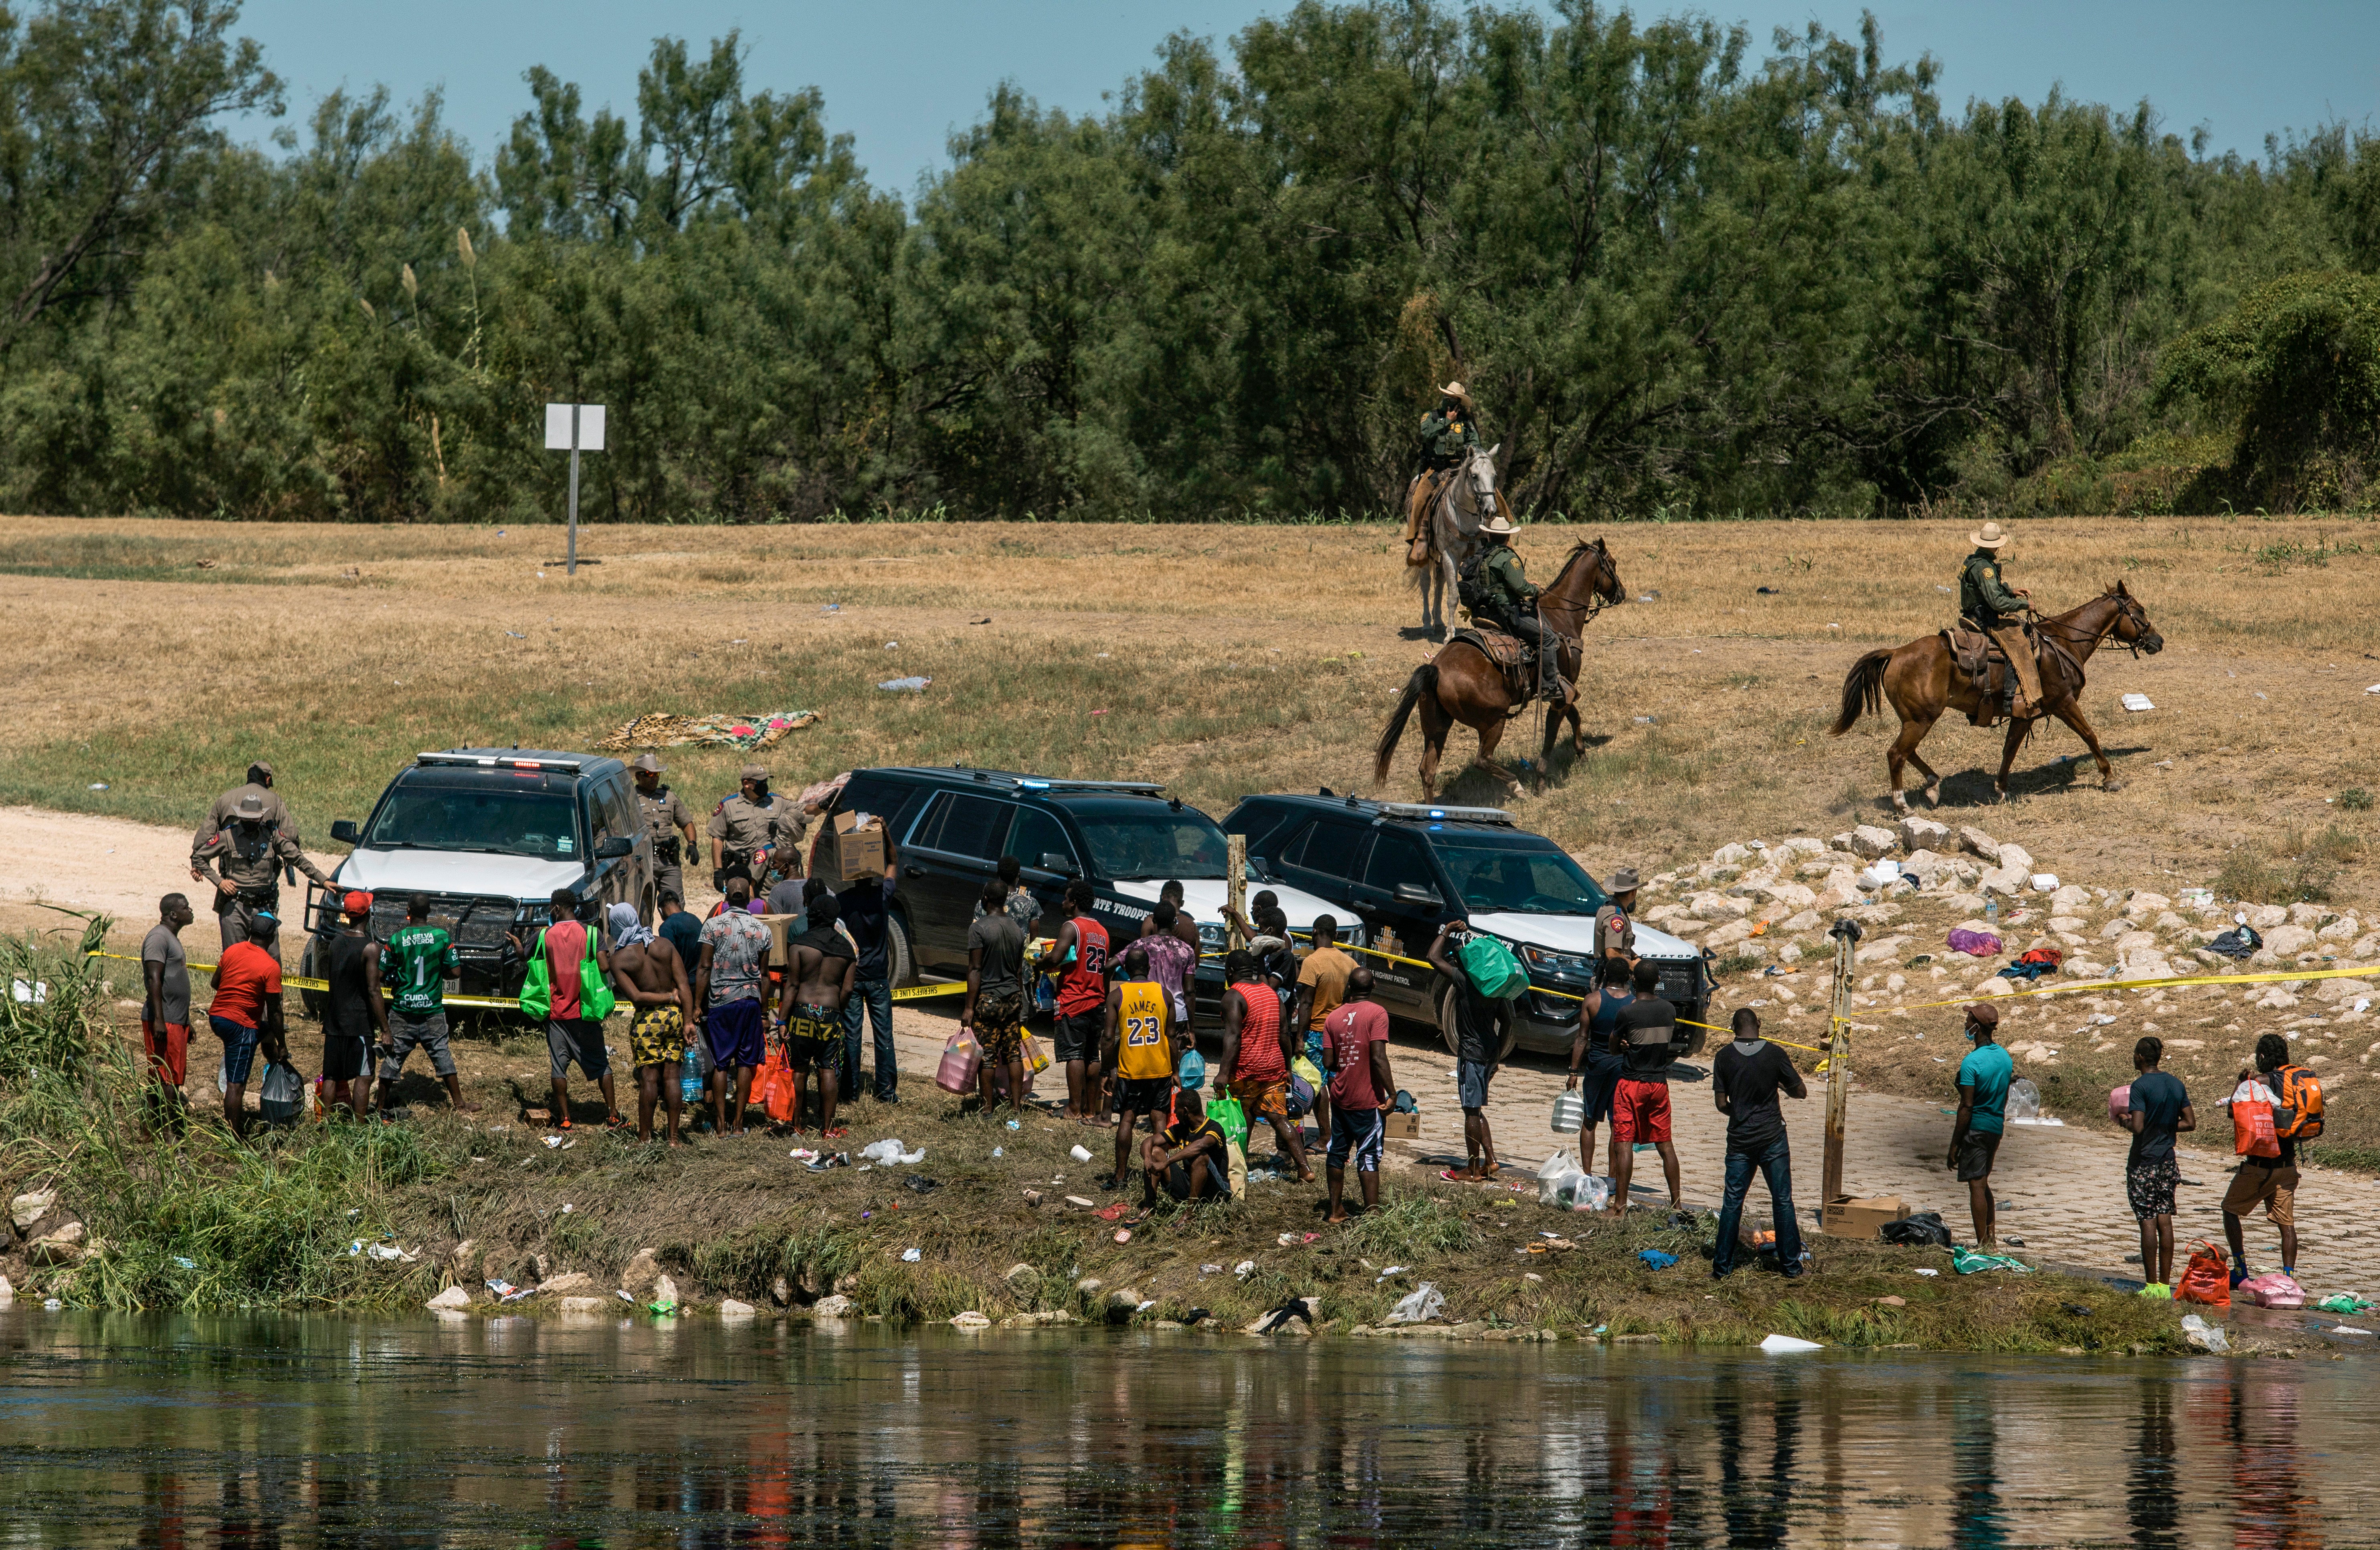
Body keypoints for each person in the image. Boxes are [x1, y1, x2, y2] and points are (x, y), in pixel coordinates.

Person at [1709, 1010, 1808, 1280]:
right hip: (1773, 1137)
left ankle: (1721, 1269)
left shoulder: (1724, 1057)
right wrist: (1779, 1084)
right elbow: (1801, 1092)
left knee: (1732, 1203)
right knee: (1783, 1201)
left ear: (1733, 1029)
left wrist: (1740, 1111)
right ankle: (1791, 1267)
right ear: (1760, 1026)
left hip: (1740, 1140)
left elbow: (1721, 1104)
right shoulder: (1775, 1054)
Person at [191, 790, 334, 953]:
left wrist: (322, 879)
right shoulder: (227, 836)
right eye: (246, 818)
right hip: (235, 907)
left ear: (261, 818)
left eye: (254, 819)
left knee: (272, 958)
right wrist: (220, 882)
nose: (250, 822)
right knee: (234, 958)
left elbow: (297, 858)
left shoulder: (272, 837)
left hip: (264, 907)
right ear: (240, 817)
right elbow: (199, 858)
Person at [374, 892, 470, 1117]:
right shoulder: (442, 937)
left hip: (402, 1013)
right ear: (429, 912)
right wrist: (437, 973)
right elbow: (456, 972)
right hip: (432, 1012)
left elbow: (379, 974)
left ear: (408, 911)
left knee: (392, 1059)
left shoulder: (396, 940)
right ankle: (459, 1105)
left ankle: (379, 1107)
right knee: (442, 1055)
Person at [1424, 920, 1507, 1183]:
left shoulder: (1465, 981)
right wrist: (1498, 1054)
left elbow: (1433, 958)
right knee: (1477, 1108)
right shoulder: (1494, 988)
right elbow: (1507, 1022)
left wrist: (1446, 931)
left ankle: (1472, 1170)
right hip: (1489, 1051)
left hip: (1471, 1053)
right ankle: (1491, 1161)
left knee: (1471, 1110)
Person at [1218, 947, 1309, 1180]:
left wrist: (1222, 1073)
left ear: (1230, 971)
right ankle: (1305, 1168)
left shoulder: (1234, 996)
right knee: (1279, 1119)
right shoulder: (1271, 994)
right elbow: (1284, 1034)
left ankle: (1240, 1163)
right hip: (1273, 1069)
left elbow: (1233, 1037)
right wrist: (1288, 1068)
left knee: (1245, 1115)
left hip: (1246, 1070)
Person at [610, 900, 695, 1145]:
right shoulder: (665, 945)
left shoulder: (620, 959)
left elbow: (636, 997)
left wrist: (667, 997)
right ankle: (674, 1139)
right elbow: (684, 986)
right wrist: (688, 1020)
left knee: (649, 1079)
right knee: (672, 1078)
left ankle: (645, 1137)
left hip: (647, 1020)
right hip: (675, 1018)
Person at [533, 888, 618, 1131]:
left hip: (557, 1013)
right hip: (585, 1013)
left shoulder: (545, 936)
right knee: (601, 1064)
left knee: (558, 1068)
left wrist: (519, 947)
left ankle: (566, 1118)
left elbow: (525, 956)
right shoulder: (592, 933)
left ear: (556, 909)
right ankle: (612, 1114)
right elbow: (604, 967)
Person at [2222, 1033, 2302, 1286]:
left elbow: (2232, 1112)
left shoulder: (2258, 1081)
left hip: (2258, 1167)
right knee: (2287, 1224)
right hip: (2287, 1167)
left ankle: (2240, 1269)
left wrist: (2241, 1082)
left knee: (2229, 1210)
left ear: (2263, 1057)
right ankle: (2289, 1278)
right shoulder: (2295, 1083)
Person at [697, 874, 772, 1133]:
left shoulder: (712, 927)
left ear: (727, 898)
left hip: (721, 1003)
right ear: (749, 898)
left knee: (720, 1064)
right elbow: (765, 975)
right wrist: (764, 1011)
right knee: (745, 1063)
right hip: (750, 1003)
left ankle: (720, 1124)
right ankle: (739, 1125)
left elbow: (705, 967)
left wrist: (698, 1004)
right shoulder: (763, 929)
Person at [1463, 512, 1564, 704]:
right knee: (1548, 637)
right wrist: (1535, 589)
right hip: (1506, 614)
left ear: (1489, 536)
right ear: (1508, 537)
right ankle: (1549, 687)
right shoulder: (1507, 558)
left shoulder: (1481, 555)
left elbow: (1499, 583)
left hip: (1483, 612)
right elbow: (1520, 588)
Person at [2121, 1035, 2195, 1295]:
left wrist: (2124, 1120)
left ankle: (2151, 1285)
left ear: (2140, 1057)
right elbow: (2189, 1123)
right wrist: (2164, 1126)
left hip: (2144, 1162)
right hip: (2167, 1162)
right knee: (2166, 1221)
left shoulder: (2140, 1087)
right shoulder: (2175, 1084)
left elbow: (2138, 1127)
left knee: (2148, 1222)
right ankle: (2165, 1286)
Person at [1099, 943, 1175, 1193]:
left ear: (1126, 969)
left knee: (1127, 1119)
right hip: (1160, 1069)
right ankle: (1164, 1176)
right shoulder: (1164, 994)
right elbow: (1172, 1037)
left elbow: (1109, 1038)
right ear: (1149, 967)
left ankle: (1121, 1177)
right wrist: (1175, 1070)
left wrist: (1106, 1071)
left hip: (1131, 1071)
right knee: (1159, 1121)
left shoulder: (1117, 995)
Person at [780, 891, 856, 1138]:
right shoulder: (847, 950)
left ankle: (797, 1125)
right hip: (831, 1014)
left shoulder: (800, 945)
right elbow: (848, 989)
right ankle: (828, 1128)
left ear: (811, 916)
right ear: (835, 919)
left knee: (800, 1069)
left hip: (801, 1013)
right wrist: (836, 1011)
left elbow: (791, 986)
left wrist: (782, 1020)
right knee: (827, 1069)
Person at [1322, 967, 1394, 1222]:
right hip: (1368, 1099)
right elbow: (1378, 1058)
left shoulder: (1332, 1018)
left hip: (1340, 1097)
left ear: (1350, 988)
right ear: (1374, 985)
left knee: (1337, 1153)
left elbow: (1329, 1063)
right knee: (1369, 1155)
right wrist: (1392, 1093)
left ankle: (1335, 1211)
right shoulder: (1377, 1013)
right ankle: (1373, 1214)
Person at [1607, 960, 1680, 1212]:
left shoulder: (1628, 1012)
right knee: (1666, 1144)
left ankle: (1620, 1206)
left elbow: (1614, 1047)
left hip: (1631, 1083)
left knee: (1624, 1142)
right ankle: (1677, 1204)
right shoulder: (1669, 1009)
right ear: (1658, 980)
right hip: (1659, 1084)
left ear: (1633, 981)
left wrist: (1625, 1044)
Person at [1036, 880, 1112, 1124]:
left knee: (1074, 1054)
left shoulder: (1071, 927)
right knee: (1092, 1056)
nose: (1063, 902)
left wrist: (1039, 961)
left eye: (1066, 898)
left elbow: (1056, 958)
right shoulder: (1102, 931)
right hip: (1097, 1001)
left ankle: (1073, 1108)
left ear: (1075, 902)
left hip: (1074, 999)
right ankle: (1090, 1110)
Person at [207, 913, 285, 1139]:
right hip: (239, 1026)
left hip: (217, 1017)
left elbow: (215, 983)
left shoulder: (232, 951)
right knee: (237, 1086)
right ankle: (235, 1137)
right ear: (271, 936)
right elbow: (275, 1011)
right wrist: (283, 1044)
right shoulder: (270, 967)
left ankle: (268, 1056)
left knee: (264, 1031)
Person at [836, 845, 901, 1104]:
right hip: (878, 978)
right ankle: (886, 1093)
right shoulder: (883, 895)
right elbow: (894, 863)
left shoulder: (842, 901)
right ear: (874, 872)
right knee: (884, 1034)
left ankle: (850, 1094)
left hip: (852, 977)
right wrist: (884, 834)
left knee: (852, 1035)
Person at [1958, 519, 2041, 720]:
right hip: (1982, 619)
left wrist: (2011, 591)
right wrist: (2024, 605)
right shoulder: (1985, 568)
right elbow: (1996, 602)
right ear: (1996, 545)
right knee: (2019, 643)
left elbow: (1985, 591)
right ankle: (2009, 700)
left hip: (1972, 615)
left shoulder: (1974, 560)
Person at [962, 877, 1029, 1119]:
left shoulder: (978, 928)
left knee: (988, 1056)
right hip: (1012, 999)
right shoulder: (1017, 930)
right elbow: (1020, 971)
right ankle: (1016, 1108)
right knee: (1013, 1053)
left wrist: (969, 1008)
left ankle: (988, 1109)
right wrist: (1020, 1002)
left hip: (988, 1002)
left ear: (986, 899)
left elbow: (975, 970)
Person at [1948, 1002, 2013, 1249]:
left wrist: (1954, 1144)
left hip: (1975, 1129)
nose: (1965, 1025)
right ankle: (1992, 1240)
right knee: (1984, 1182)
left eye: (1968, 1021)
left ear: (1977, 1027)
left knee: (1976, 1185)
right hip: (1995, 1127)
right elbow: (2004, 1095)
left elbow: (1966, 1107)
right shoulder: (2005, 1058)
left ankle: (1985, 1245)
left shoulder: (1971, 1063)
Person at [1565, 955, 1633, 1178]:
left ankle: (1587, 1174)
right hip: (1623, 1069)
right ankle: (1613, 1178)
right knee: (1618, 1125)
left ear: (1606, 975)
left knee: (1590, 1120)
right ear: (1628, 978)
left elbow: (1582, 1038)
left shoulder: (1592, 1000)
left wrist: (1573, 1071)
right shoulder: (1634, 1004)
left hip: (1597, 1067)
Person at [1293, 915, 1358, 1143]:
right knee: (1337, 1083)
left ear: (1314, 931)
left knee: (1316, 1083)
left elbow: (1307, 1003)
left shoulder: (1312, 962)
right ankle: (1341, 1135)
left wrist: (1300, 1037)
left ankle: (1324, 1137)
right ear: (1336, 935)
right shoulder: (1348, 962)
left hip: (1318, 1032)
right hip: (1343, 1032)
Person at [317, 891, 379, 1123]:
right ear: (368, 914)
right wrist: (385, 1028)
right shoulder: (370, 948)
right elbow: (373, 990)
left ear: (347, 914)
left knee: (332, 1075)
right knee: (365, 1075)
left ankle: (326, 1128)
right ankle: (358, 1127)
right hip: (358, 1021)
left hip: (334, 1019)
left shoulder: (335, 943)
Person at [1404, 381, 1481, 562]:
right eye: (1447, 397)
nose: (1449, 401)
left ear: (1459, 402)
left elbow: (1476, 445)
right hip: (1436, 469)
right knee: (1419, 498)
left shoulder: (1467, 423)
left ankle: (1500, 537)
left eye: (1453, 399)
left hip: (1460, 470)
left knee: (1491, 492)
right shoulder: (1430, 417)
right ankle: (1419, 539)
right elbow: (1426, 435)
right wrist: (1447, 421)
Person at [139, 893, 196, 1118]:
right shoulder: (158, 938)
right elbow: (155, 978)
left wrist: (187, 1022)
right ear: (173, 914)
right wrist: (160, 1020)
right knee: (169, 1077)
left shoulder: (171, 937)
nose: (190, 910)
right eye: (186, 907)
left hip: (175, 1019)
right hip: (165, 1020)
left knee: (163, 1076)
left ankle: (152, 1128)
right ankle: (169, 1134)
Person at [708, 763, 806, 893]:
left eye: (766, 781)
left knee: (769, 907)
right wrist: (718, 871)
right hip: (741, 870)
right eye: (761, 782)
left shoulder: (775, 801)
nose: (765, 784)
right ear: (746, 783)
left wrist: (822, 805)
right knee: (742, 907)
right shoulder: (729, 805)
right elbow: (717, 838)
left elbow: (804, 809)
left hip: (769, 869)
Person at [1140, 1088, 1230, 1206]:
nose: (1175, 1112)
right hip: (1191, 1184)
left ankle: (1189, 1213)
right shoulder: (1182, 1128)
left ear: (1186, 1111)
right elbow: (1150, 1141)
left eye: (1176, 1109)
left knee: (1200, 1157)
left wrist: (1167, 1163)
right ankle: (1149, 1207)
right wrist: (1147, 1158)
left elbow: (1199, 1146)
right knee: (1155, 1152)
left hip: (1216, 1191)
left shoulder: (1214, 1128)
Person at [632, 753, 700, 907]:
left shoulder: (669, 797)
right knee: (643, 908)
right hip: (644, 862)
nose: (654, 778)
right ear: (638, 776)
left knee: (676, 905)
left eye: (656, 774)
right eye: (649, 774)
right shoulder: (631, 799)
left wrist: (692, 844)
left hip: (669, 861)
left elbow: (686, 823)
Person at [1138, 901, 1197, 1029]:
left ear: (1154, 921)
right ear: (1175, 921)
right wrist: (1191, 1029)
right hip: (1177, 1014)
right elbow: (1190, 992)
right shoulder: (1186, 950)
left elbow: (1110, 965)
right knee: (1175, 1049)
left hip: (1148, 1012)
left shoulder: (1141, 946)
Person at [972, 855, 1041, 934]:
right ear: (1019, 874)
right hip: (1018, 947)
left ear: (998, 874)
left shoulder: (983, 904)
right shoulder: (1030, 904)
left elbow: (975, 935)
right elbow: (1034, 941)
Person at [656, 888, 703, 980]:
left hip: (685, 983)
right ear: (679, 904)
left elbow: (667, 961)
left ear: (660, 911)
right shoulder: (695, 919)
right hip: (702, 980)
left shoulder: (667, 927)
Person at [1595, 870, 1640, 965]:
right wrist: (1634, 967)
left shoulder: (1610, 908)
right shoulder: (1616, 917)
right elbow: (1613, 954)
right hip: (1614, 976)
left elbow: (1622, 948)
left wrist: (1635, 957)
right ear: (1633, 893)